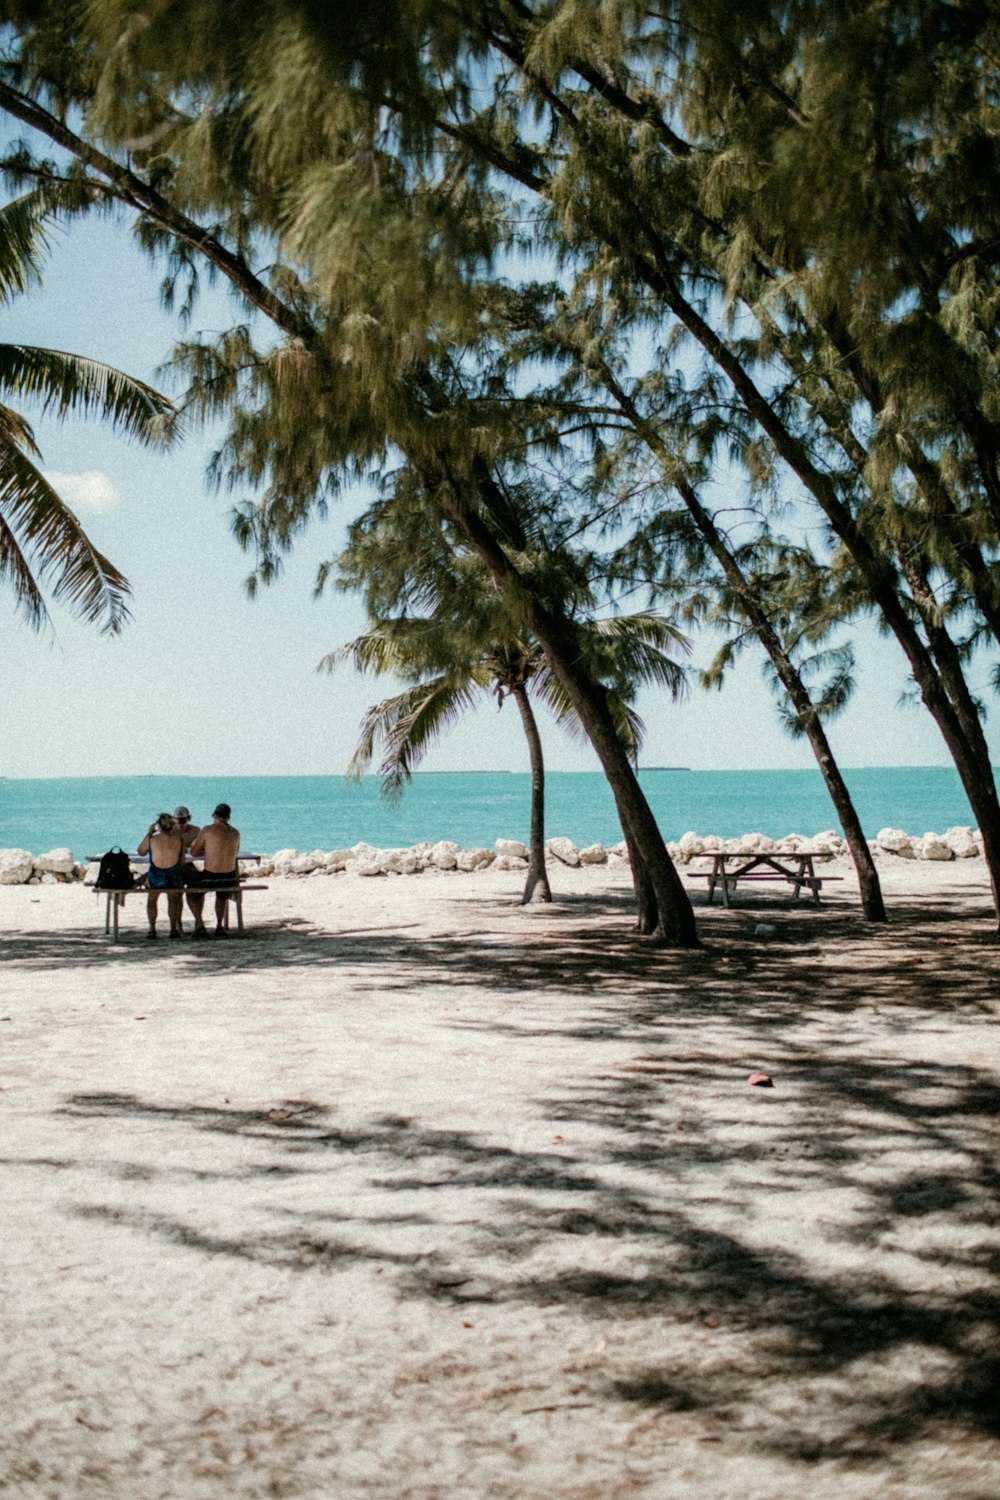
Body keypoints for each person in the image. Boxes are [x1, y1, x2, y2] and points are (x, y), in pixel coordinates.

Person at [190, 802, 241, 938]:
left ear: (215, 816)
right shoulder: (235, 833)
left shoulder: (207, 830)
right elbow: (235, 852)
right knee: (221, 895)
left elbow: (194, 852)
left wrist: (206, 850)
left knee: (191, 892)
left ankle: (200, 925)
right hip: (229, 878)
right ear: (228, 818)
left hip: (211, 876)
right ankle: (219, 926)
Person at [137, 813, 186, 940]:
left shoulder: (152, 839)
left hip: (156, 878)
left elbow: (141, 851)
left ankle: (152, 929)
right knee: (173, 899)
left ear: (158, 826)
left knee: (152, 899)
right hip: (172, 877)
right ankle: (173, 929)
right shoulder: (179, 840)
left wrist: (149, 833)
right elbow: (181, 862)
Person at [174, 804, 207, 936]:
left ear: (189, 818)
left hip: (189, 865)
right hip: (175, 866)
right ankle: (178, 924)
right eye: (178, 820)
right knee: (177, 893)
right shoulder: (170, 831)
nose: (181, 824)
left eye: (184, 820)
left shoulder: (196, 831)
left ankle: (198, 922)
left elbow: (202, 848)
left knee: (197, 890)